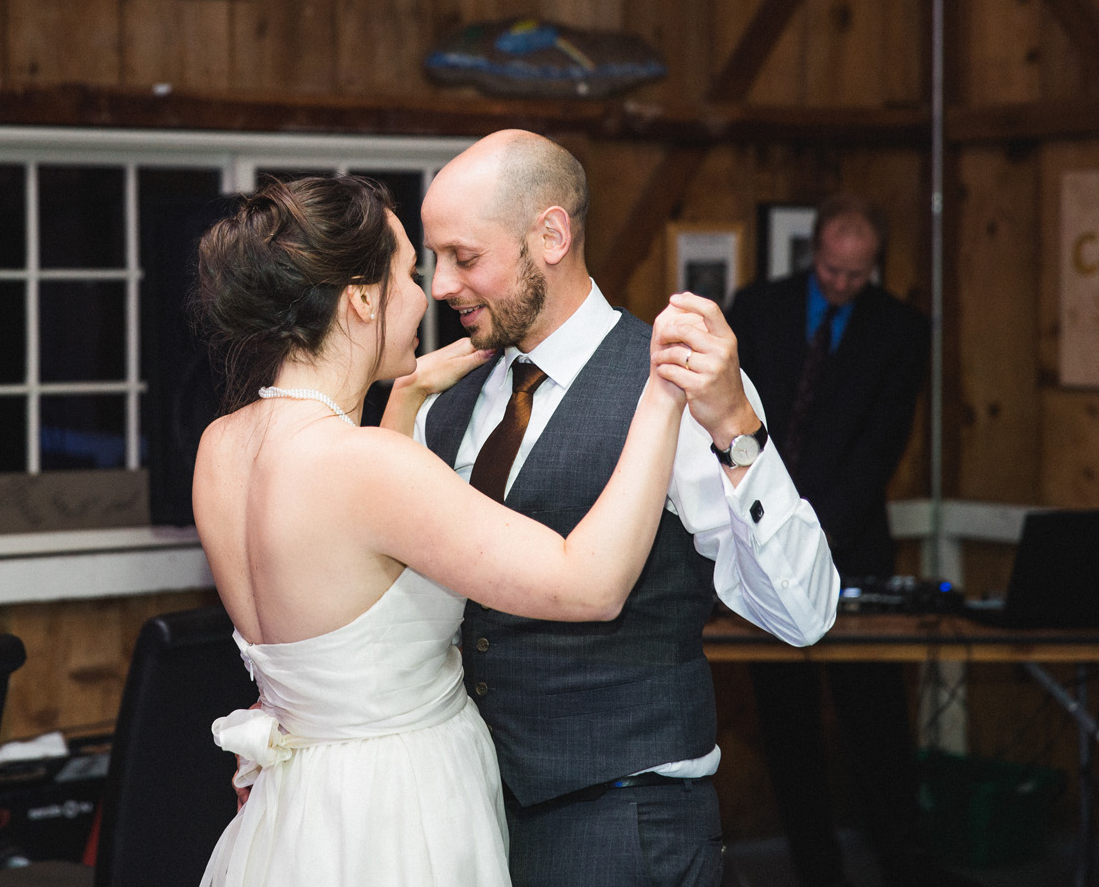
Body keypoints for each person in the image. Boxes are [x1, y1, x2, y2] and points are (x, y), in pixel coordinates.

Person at [190, 174, 728, 887]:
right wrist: (659, 396)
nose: (431, 293)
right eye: (409, 271)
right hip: (400, 809)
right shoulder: (366, 466)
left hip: (303, 812)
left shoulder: (222, 447)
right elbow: (591, 584)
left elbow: (350, 565)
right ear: (359, 299)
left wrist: (405, 396)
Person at [379, 129, 840, 887]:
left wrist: (735, 429)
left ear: (551, 235)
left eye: (464, 257)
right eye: (433, 260)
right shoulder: (445, 405)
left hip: (625, 824)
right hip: (466, 821)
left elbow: (805, 614)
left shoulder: (683, 387)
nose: (440, 285)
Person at [727, 194, 932, 887]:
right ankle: (816, 867)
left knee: (873, 717)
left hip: (853, 545)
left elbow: (882, 447)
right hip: (762, 542)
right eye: (833, 270)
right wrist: (773, 529)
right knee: (786, 726)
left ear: (874, 267)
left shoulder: (900, 330)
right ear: (815, 253)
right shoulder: (757, 310)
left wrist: (812, 531)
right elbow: (738, 422)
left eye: (857, 274)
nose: (842, 284)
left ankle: (900, 860)